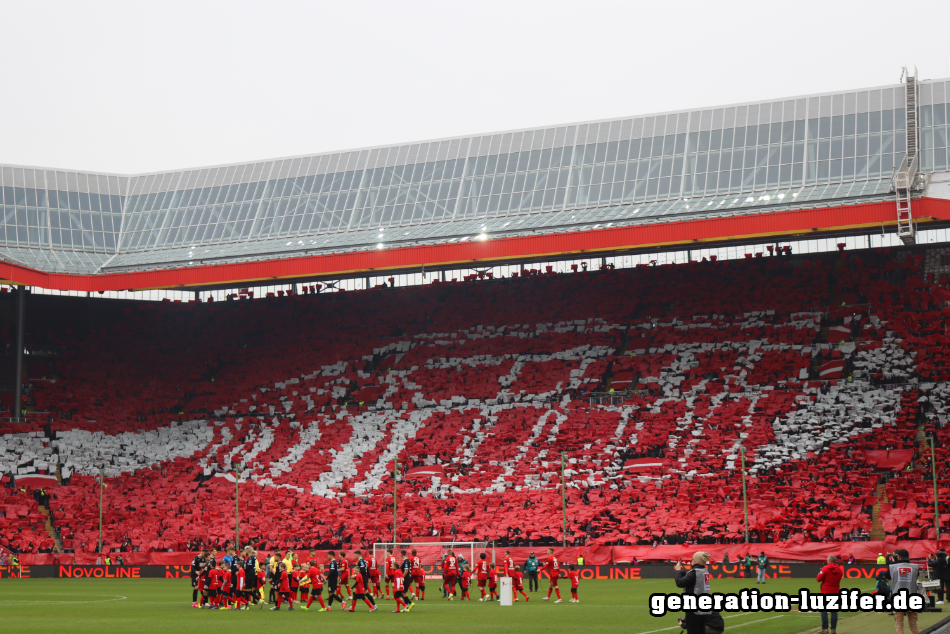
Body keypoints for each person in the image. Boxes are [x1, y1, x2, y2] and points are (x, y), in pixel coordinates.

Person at [675, 552, 724, 634]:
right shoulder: (704, 571)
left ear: (697, 561)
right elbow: (691, 582)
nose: (692, 561)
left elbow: (680, 583)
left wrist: (677, 571)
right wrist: (683, 573)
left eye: (693, 559)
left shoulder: (695, 572)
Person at [884, 548, 921, 634]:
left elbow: (887, 576)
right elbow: (916, 576)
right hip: (912, 598)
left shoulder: (893, 567)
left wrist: (895, 561)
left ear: (899, 557)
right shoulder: (915, 567)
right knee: (913, 625)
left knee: (899, 624)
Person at [817, 555, 844, 634]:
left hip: (825, 591)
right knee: (834, 612)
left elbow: (818, 579)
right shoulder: (839, 570)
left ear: (829, 560)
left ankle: (825, 628)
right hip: (835, 592)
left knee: (823, 611)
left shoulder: (825, 568)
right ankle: (833, 629)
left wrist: (820, 572)